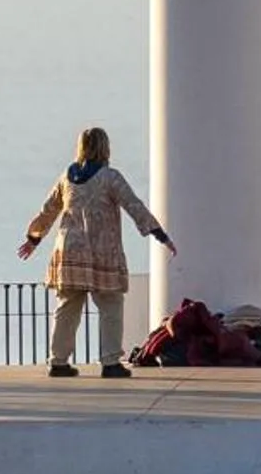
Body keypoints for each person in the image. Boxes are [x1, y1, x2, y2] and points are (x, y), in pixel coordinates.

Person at [18, 126, 176, 379]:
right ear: (105, 147)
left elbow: (48, 210)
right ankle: (110, 362)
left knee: (67, 306)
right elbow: (134, 206)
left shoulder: (67, 177)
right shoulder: (110, 177)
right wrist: (159, 235)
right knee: (110, 305)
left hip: (69, 251)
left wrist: (33, 238)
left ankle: (57, 361)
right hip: (101, 251)